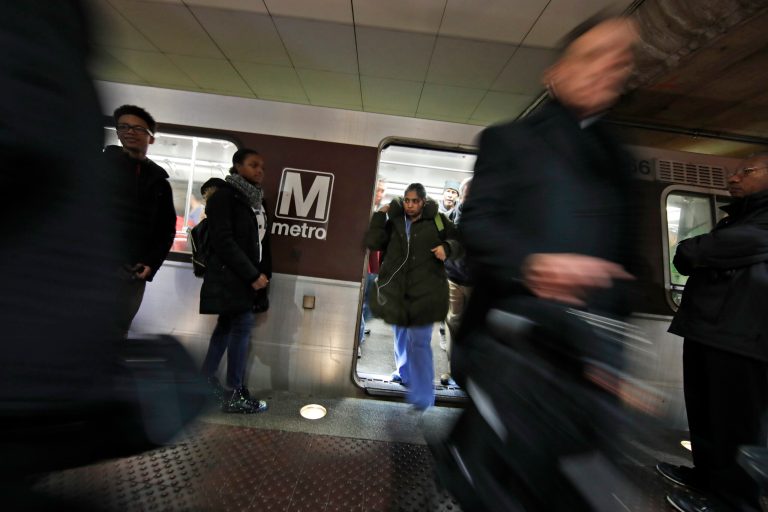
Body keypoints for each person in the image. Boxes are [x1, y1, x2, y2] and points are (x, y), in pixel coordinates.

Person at [437, 14, 643, 511]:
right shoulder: (510, 141)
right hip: (511, 349)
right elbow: (479, 225)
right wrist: (533, 264)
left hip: (586, 368)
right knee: (503, 487)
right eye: (594, 56)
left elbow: (629, 266)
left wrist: (613, 358)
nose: (608, 69)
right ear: (556, 72)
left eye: (621, 60)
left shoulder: (619, 160)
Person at [657, 152, 768, 512]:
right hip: (712, 330)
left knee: (735, 425)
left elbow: (695, 253)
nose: (733, 178)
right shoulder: (742, 216)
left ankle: (735, 503)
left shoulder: (760, 222)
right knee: (706, 415)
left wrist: (695, 248)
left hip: (743, 337)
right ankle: (706, 478)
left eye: (746, 172)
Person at [365, 183, 460, 410]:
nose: (409, 205)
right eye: (407, 200)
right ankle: (403, 373)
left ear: (423, 202)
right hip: (399, 292)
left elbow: (459, 242)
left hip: (426, 292)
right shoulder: (395, 222)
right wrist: (380, 216)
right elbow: (374, 242)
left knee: (419, 341)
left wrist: (447, 247)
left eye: (414, 201)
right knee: (400, 336)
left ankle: (424, 394)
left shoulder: (438, 221)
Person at [200, 148, 272, 414]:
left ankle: (205, 381)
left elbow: (262, 243)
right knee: (241, 327)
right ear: (237, 166)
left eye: (262, 166)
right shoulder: (224, 198)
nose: (259, 170)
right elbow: (224, 241)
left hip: (248, 278)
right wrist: (252, 274)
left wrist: (265, 274)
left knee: (225, 327)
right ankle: (234, 393)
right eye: (253, 165)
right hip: (231, 278)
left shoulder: (257, 202)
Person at [105, 104, 176, 334]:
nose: (129, 132)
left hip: (134, 273)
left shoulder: (159, 183)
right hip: (98, 266)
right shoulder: (101, 168)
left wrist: (150, 263)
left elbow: (166, 229)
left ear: (151, 138)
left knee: (118, 329)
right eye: (123, 127)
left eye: (137, 128)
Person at [441, 178, 473, 383]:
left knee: (474, 326)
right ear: (462, 195)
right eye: (467, 193)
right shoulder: (449, 218)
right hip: (453, 278)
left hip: (476, 281)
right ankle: (453, 370)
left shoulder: (484, 219)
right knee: (453, 325)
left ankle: (471, 372)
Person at [358, 178, 387, 358]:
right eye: (378, 190)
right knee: (361, 305)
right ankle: (357, 339)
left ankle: (360, 330)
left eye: (383, 191)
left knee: (368, 303)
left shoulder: (380, 213)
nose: (380, 194)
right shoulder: (364, 210)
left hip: (374, 264)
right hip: (363, 263)